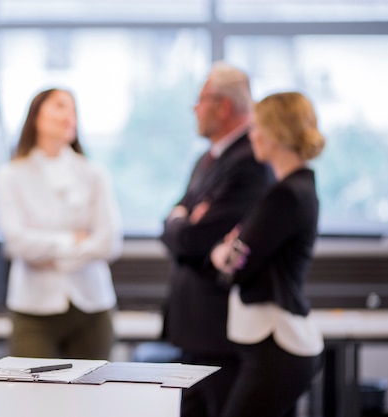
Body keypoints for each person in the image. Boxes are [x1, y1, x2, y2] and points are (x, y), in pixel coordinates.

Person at [160, 62, 274, 417]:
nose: (195, 108)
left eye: (200, 99)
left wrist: (183, 224)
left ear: (222, 105)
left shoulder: (251, 162)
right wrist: (182, 224)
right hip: (194, 328)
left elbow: (194, 238)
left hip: (219, 329)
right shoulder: (206, 160)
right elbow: (172, 228)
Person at [210, 91, 325, 417]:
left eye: (258, 126)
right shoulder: (296, 188)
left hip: (279, 345)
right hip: (276, 344)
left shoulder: (285, 195)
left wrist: (225, 251)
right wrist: (234, 245)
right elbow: (244, 249)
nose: (252, 134)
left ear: (277, 133)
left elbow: (236, 263)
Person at [0, 88, 122, 360]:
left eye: (73, 109)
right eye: (60, 106)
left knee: (93, 398)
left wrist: (52, 255)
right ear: (36, 116)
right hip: (34, 309)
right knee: (30, 398)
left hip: (92, 307)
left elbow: (109, 242)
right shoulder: (10, 175)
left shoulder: (93, 173)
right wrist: (71, 241)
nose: (69, 115)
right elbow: (16, 243)